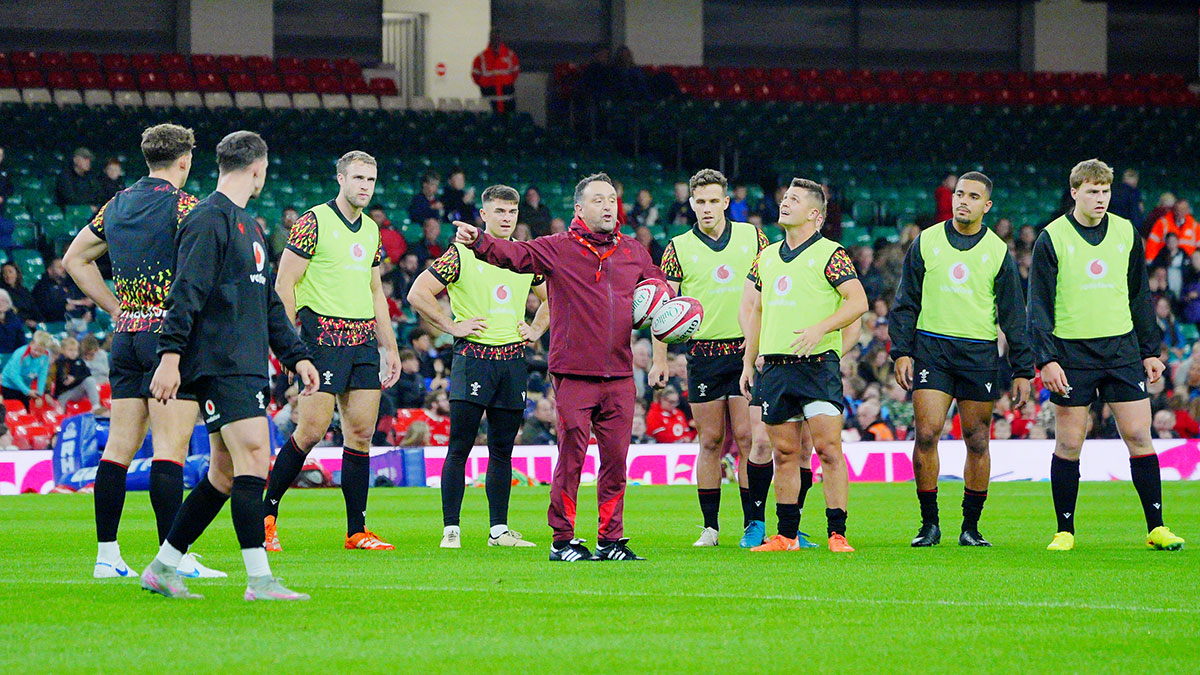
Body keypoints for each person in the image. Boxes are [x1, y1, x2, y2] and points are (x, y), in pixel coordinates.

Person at [140, 130, 320, 601]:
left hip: (244, 363)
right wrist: (170, 357)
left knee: (223, 474)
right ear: (258, 169)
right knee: (255, 457)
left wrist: (296, 354)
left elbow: (267, 305)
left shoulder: (250, 225)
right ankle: (259, 581)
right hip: (222, 364)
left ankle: (162, 566)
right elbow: (186, 293)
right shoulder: (207, 218)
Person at [454, 172, 665, 562]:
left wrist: (667, 303)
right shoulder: (557, 247)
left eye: (611, 200)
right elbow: (515, 256)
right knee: (572, 458)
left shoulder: (634, 250)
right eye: (598, 200)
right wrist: (480, 242)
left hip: (619, 374)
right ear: (579, 208)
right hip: (573, 373)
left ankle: (610, 541)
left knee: (617, 460)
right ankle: (562, 540)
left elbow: (657, 286)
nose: (607, 206)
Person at [62, 123, 225, 579]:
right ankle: (172, 558)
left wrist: (117, 307)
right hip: (168, 336)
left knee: (118, 447)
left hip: (128, 336)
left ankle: (107, 556)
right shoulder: (186, 206)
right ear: (185, 161)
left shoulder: (117, 204)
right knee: (169, 450)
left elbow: (75, 258)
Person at [1027, 158, 1185, 552]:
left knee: (1138, 434)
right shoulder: (1053, 237)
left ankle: (1157, 527)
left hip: (1121, 350)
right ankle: (1065, 531)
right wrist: (1046, 359)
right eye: (1093, 191)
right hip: (1071, 353)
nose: (1100, 198)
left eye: (1105, 191)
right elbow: (1039, 304)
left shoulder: (1127, 232)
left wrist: (1150, 351)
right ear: (1075, 192)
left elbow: (1139, 295)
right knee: (1069, 443)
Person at [262, 150, 402, 553]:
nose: (364, 186)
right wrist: (289, 346)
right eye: (357, 178)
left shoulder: (372, 230)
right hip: (320, 336)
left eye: (370, 180)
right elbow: (284, 285)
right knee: (310, 431)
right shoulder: (313, 221)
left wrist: (388, 346)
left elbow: (376, 291)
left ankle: (356, 531)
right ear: (340, 179)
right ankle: (266, 517)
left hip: (361, 340)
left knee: (360, 435)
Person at [889, 171, 1034, 547]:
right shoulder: (926, 242)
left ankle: (970, 526)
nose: (962, 201)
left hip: (978, 353)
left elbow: (1014, 315)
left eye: (972, 196)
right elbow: (906, 303)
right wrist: (901, 351)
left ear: (986, 206)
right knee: (926, 432)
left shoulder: (998, 252)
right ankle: (929, 524)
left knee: (977, 440)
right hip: (931, 349)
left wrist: (1022, 369)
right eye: (958, 194)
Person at [408, 184, 549, 548]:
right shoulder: (461, 254)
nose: (506, 218)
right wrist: (452, 327)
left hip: (512, 362)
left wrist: (535, 329)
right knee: (460, 446)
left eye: (512, 212)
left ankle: (498, 530)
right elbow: (418, 292)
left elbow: (555, 296)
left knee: (503, 449)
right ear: (483, 215)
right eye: (499, 212)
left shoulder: (524, 256)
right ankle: (451, 529)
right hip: (474, 359)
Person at [739, 177, 867, 553]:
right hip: (775, 367)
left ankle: (837, 533)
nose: (784, 203)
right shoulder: (768, 255)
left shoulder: (831, 253)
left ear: (814, 213)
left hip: (816, 366)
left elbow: (857, 301)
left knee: (828, 450)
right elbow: (758, 312)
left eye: (794, 199)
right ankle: (786, 535)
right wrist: (749, 362)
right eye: (784, 197)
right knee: (784, 454)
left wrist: (821, 329)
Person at [653, 168, 770, 547]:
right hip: (702, 353)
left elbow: (772, 289)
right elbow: (663, 307)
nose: (706, 208)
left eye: (712, 201)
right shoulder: (677, 247)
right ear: (691, 203)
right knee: (710, 441)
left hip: (743, 351)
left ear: (725, 202)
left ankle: (754, 523)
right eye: (699, 201)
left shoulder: (753, 237)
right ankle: (710, 527)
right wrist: (659, 359)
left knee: (749, 437)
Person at [0, 330, 55, 407]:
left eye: (41, 351)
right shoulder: (20, 353)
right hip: (9, 385)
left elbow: (43, 374)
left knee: (25, 411)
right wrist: (27, 391)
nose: (37, 353)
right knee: (10, 410)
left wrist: (39, 394)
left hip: (25, 386)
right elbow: (14, 375)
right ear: (31, 343)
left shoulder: (46, 355)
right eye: (35, 350)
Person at [471, 30, 520, 113]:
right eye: (493, 38)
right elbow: (476, 77)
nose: (495, 40)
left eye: (497, 38)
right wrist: (487, 84)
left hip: (507, 100)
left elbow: (515, 73)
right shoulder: (481, 57)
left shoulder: (510, 55)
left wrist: (505, 82)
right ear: (490, 39)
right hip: (488, 100)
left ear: (501, 39)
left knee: (509, 123)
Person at [53, 336, 104, 413]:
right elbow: (63, 381)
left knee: (90, 380)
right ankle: (61, 414)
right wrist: (72, 379)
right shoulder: (60, 363)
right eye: (70, 350)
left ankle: (96, 406)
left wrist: (75, 378)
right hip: (65, 393)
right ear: (63, 350)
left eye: (75, 350)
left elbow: (87, 374)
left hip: (78, 390)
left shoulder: (80, 361)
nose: (73, 352)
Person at [1, 262, 39, 326]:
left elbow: (34, 307)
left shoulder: (24, 290)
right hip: (18, 324)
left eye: (10, 272)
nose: (8, 276)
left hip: (32, 321)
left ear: (16, 274)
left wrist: (39, 321)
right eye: (4, 273)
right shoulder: (2, 293)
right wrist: (25, 321)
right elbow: (10, 313)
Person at [0, 289, 27, 355]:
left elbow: (22, 341)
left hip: (13, 356)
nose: (1, 303)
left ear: (8, 303)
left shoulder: (14, 319)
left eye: (4, 301)